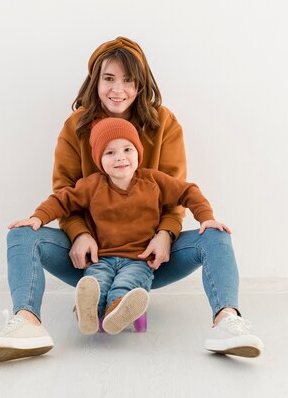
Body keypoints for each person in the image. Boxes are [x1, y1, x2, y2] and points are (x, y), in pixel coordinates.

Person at [0, 36, 263, 362]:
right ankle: (27, 321)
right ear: (95, 80)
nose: (118, 89)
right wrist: (78, 233)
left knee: (216, 235)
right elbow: (65, 195)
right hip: (91, 256)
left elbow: (179, 191)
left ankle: (227, 320)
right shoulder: (76, 127)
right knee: (20, 234)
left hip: (149, 254)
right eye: (109, 78)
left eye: (128, 80)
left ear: (141, 85)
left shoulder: (164, 124)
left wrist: (166, 233)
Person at [14, 117, 225, 336]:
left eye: (127, 149)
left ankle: (118, 311)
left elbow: (187, 191)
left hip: (139, 259)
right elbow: (61, 200)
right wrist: (38, 218)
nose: (120, 158)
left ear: (138, 152)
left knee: (127, 284)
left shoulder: (153, 181)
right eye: (110, 153)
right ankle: (88, 313)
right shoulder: (93, 185)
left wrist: (206, 218)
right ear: (99, 160)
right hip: (101, 258)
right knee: (95, 284)